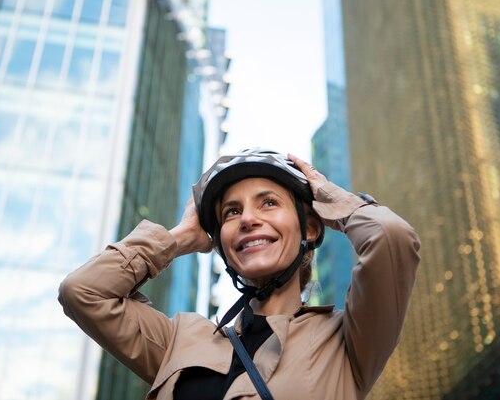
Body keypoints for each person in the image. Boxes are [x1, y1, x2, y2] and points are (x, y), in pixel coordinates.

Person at [58, 148, 421, 400]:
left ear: (311, 229)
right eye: (231, 213)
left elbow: (391, 238)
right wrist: (181, 237)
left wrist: (329, 199)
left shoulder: (349, 340)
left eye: (269, 203)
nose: (247, 219)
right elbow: (83, 292)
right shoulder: (178, 339)